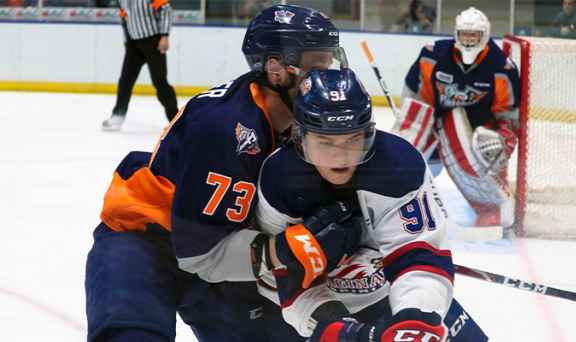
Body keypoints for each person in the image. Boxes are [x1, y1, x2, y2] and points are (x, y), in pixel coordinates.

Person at [85, 6, 355, 342]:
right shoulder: (227, 127)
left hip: (225, 249)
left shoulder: (310, 121)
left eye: (329, 62)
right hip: (145, 239)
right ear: (274, 69)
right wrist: (284, 250)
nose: (326, 77)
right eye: (315, 66)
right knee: (132, 336)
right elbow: (199, 250)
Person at [255, 68, 489, 342]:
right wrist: (342, 332)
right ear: (300, 137)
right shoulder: (279, 178)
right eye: (324, 142)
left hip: (391, 291)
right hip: (318, 312)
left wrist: (416, 321)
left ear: (369, 133)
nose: (339, 157)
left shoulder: (399, 166)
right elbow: (284, 275)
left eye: (352, 140)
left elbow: (420, 257)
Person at [392, 7, 521, 236]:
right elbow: (415, 100)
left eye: (474, 36)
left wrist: (503, 144)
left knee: (478, 151)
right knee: (403, 154)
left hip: (478, 130)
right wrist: (409, 134)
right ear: (456, 34)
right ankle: (392, 200)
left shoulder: (501, 67)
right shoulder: (433, 56)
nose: (469, 41)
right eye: (464, 35)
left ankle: (491, 207)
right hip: (435, 119)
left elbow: (508, 116)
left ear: (485, 36)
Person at [101, 0, 178, 131]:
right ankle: (118, 114)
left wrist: (165, 35)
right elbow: (124, 17)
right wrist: (126, 42)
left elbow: (165, 10)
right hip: (133, 43)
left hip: (153, 41)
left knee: (159, 81)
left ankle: (175, 120)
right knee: (126, 80)